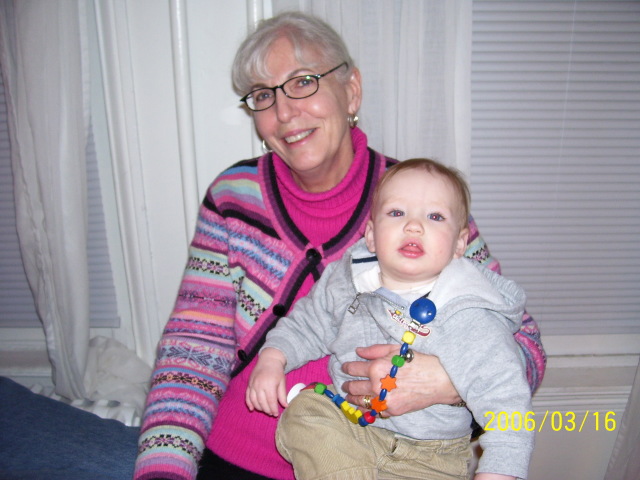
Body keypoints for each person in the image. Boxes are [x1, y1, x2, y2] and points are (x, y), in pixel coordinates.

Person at [133, 11, 545, 480]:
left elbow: (524, 346)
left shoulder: (423, 204)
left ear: (351, 91)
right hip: (236, 456)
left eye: (303, 82)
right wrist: (163, 469)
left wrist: (448, 382)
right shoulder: (235, 198)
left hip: (392, 462)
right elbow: (193, 347)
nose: (284, 112)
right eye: (264, 95)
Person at [247, 158, 534, 480]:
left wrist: (498, 473)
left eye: (435, 216)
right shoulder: (345, 280)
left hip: (429, 456)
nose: (414, 226)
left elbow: (506, 400)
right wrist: (273, 358)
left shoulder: (469, 311)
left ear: (459, 244)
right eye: (397, 213)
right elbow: (307, 325)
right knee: (305, 410)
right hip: (347, 424)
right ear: (371, 234)